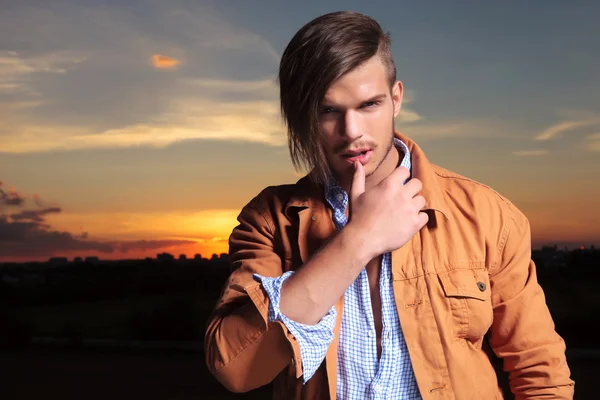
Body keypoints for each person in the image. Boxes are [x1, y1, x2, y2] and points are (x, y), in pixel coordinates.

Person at [204, 11, 574, 400]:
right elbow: (237, 369)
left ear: (396, 99)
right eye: (328, 110)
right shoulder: (269, 220)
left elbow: (540, 371)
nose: (352, 132)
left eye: (369, 105)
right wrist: (358, 240)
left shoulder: (488, 215)